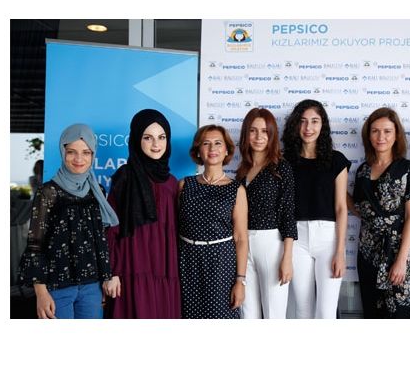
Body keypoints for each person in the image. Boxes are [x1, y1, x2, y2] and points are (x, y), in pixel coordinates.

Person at [19, 124, 119, 319]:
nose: (79, 159)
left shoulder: (97, 190)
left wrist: (106, 277)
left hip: (91, 286)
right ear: (62, 151)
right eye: (71, 152)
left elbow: (100, 239)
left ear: (93, 154)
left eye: (86, 152)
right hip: (56, 286)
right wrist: (41, 293)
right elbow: (35, 245)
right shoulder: (48, 192)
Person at [103, 109, 181, 319]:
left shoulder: (172, 183)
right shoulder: (124, 177)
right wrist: (112, 272)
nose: (156, 144)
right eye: (148, 137)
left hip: (165, 268)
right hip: (130, 267)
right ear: (137, 139)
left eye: (161, 137)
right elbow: (111, 229)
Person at [352, 107, 410, 318]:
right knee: (372, 314)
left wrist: (401, 260)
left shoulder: (408, 169)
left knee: (399, 315)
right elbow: (362, 211)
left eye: (387, 131)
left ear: (396, 135)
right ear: (368, 135)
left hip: (397, 253)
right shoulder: (362, 171)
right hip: (367, 255)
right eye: (375, 131)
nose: (380, 137)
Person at [282, 99, 350, 319]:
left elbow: (341, 208)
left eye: (314, 121)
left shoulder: (336, 160)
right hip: (296, 239)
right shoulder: (285, 161)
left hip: (328, 239)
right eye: (302, 121)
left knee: (326, 311)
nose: (308, 127)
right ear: (295, 125)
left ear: (323, 125)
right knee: (302, 310)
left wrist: (340, 251)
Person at [178, 125, 248, 319]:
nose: (212, 148)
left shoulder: (236, 189)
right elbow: (175, 228)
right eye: (206, 143)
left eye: (218, 143)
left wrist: (240, 281)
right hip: (187, 262)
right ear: (198, 151)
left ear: (226, 150)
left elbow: (241, 238)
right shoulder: (184, 185)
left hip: (221, 263)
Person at [236, 108, 297, 319]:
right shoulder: (242, 170)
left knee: (273, 314)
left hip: (271, 243)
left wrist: (287, 257)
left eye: (264, 131)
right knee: (247, 313)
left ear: (272, 135)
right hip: (243, 244)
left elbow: (288, 213)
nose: (259, 137)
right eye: (253, 131)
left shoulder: (281, 167)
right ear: (246, 134)